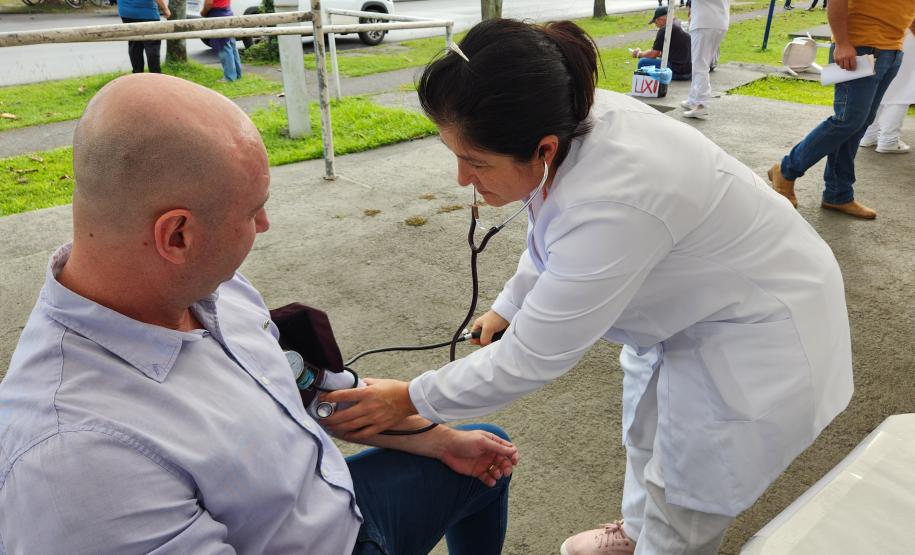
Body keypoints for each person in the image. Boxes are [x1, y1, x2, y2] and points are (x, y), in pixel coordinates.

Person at [318, 19, 854, 555]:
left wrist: (411, 398)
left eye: (476, 162)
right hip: (693, 309)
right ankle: (638, 532)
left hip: (757, 328)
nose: (462, 178)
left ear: (544, 149)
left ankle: (663, 544)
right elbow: (552, 232)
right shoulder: (564, 118)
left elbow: (532, 358)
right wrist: (508, 306)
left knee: (690, 487)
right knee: (646, 432)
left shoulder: (615, 197)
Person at [0, 73, 520, 554]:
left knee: (485, 453)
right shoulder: (79, 461)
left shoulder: (206, 288)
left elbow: (306, 393)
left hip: (339, 510)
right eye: (252, 211)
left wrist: (438, 439)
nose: (265, 225)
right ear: (177, 234)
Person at [769, 1, 915, 219]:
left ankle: (838, 194)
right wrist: (842, 43)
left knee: (859, 124)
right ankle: (786, 170)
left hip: (892, 52)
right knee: (847, 120)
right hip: (859, 49)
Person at [860, 30, 915, 154]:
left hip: (887, 38)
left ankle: (868, 134)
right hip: (905, 38)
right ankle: (889, 138)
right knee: (903, 90)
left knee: (883, 89)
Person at [683, 0, 729, 117]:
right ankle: (694, 99)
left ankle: (701, 103)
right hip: (718, 20)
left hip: (704, 22)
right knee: (700, 63)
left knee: (700, 64)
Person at [631, 6, 692, 81]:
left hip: (677, 71)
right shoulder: (679, 23)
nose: (656, 25)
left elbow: (654, 54)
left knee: (642, 62)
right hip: (688, 70)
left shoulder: (665, 29)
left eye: (655, 22)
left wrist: (639, 54)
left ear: (661, 19)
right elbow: (664, 52)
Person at [117, 0, 170, 73]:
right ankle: (155, 75)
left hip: (126, 12)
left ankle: (137, 74)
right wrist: (165, 8)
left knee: (135, 43)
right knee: (152, 45)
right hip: (147, 13)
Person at [201, 0, 242, 82]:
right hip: (227, 12)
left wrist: (203, 12)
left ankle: (229, 77)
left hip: (217, 14)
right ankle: (237, 74)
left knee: (224, 47)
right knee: (231, 46)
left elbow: (209, 3)